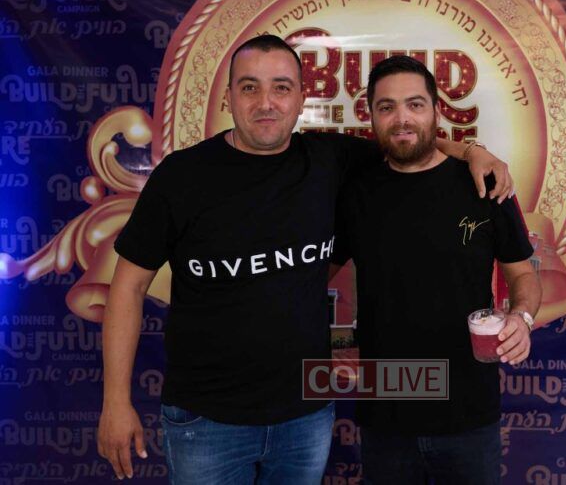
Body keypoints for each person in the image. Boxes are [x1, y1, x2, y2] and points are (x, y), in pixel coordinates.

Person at [96, 35, 515, 484]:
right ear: (228, 97)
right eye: (249, 87)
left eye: (281, 87)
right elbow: (128, 287)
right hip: (207, 419)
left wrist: (472, 151)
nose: (266, 103)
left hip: (304, 417)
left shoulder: (330, 158)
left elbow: (408, 140)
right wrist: (115, 402)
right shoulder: (181, 177)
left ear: (301, 99)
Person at [330, 55, 542, 484]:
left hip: (469, 415)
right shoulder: (355, 192)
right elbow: (314, 274)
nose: (402, 118)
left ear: (436, 111)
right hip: (385, 417)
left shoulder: (484, 185)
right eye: (386, 107)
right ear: (370, 116)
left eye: (415, 104)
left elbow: (523, 275)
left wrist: (521, 318)